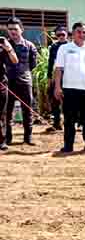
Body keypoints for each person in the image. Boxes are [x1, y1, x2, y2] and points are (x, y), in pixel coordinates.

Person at [53, 22, 85, 153]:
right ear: (73, 34)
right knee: (69, 119)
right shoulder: (64, 48)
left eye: (84, 32)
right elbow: (58, 69)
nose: (82, 34)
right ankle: (68, 146)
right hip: (69, 89)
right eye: (79, 32)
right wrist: (57, 87)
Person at [3, 17, 38, 146]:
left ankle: (28, 137)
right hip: (8, 82)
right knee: (7, 112)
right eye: (10, 29)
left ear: (21, 29)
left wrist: (23, 73)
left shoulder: (30, 46)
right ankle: (7, 138)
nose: (12, 31)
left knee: (27, 110)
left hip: (25, 82)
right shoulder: (3, 46)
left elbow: (33, 64)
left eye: (15, 29)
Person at [45, 26, 69, 133]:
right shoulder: (54, 47)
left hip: (69, 77)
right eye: (58, 35)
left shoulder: (71, 46)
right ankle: (56, 123)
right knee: (55, 101)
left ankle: (71, 123)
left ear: (66, 34)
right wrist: (49, 78)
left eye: (63, 34)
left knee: (69, 101)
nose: (61, 36)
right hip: (57, 76)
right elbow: (50, 63)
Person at [0, 26, 20, 151]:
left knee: (2, 114)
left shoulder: (2, 43)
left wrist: (9, 49)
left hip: (1, 83)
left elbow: (15, 60)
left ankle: (1, 141)